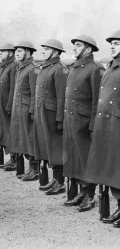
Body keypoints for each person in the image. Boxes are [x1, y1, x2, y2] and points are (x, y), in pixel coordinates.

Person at [63, 35, 103, 211]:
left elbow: (97, 100)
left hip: (84, 121)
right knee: (76, 157)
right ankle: (82, 190)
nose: (74, 48)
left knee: (86, 158)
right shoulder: (75, 67)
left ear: (88, 49)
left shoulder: (95, 69)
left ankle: (90, 195)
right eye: (74, 45)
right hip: (72, 120)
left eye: (78, 45)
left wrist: (94, 124)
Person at [84, 29, 120, 227]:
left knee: (118, 168)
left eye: (117, 43)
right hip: (106, 125)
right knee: (111, 168)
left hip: (117, 125)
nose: (113, 46)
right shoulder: (110, 67)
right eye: (112, 43)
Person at [34, 39, 68, 195]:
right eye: (44, 49)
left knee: (56, 148)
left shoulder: (59, 69)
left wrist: (60, 119)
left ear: (55, 52)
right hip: (43, 114)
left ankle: (60, 182)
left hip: (52, 115)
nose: (43, 51)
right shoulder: (45, 68)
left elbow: (62, 97)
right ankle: (55, 180)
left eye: (47, 49)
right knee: (48, 147)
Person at [7, 41, 39, 181]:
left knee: (30, 139)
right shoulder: (21, 68)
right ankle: (28, 168)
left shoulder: (32, 68)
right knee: (21, 139)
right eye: (16, 51)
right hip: (18, 109)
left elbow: (34, 93)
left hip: (26, 111)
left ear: (28, 52)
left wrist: (32, 111)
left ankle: (35, 169)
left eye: (20, 51)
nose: (17, 54)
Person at [0, 43, 16, 170]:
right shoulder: (3, 66)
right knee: (2, 130)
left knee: (10, 131)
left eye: (3, 51)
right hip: (0, 105)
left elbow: (13, 88)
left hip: (7, 105)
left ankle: (13, 158)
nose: (0, 53)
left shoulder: (13, 66)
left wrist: (10, 106)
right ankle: (3, 156)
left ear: (10, 53)